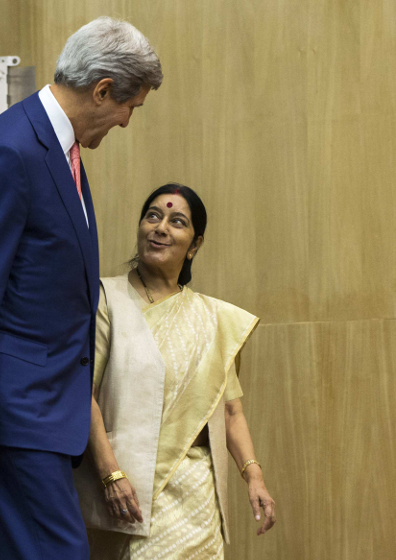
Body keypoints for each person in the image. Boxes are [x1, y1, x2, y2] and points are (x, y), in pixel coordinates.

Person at [0, 17, 162, 559]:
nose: (127, 122)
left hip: (40, 410)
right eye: (131, 107)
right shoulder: (11, 150)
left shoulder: (58, 152)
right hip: (16, 417)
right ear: (103, 90)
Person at [74, 184, 276, 559]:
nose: (161, 227)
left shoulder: (212, 318)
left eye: (176, 221)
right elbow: (80, 394)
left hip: (198, 491)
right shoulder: (106, 300)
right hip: (128, 487)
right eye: (153, 216)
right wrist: (111, 475)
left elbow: (231, 412)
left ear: (195, 244)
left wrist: (254, 476)